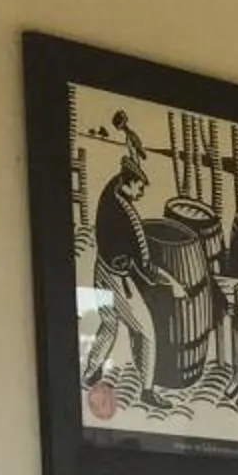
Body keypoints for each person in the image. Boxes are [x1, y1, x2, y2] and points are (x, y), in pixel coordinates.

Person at [85, 112, 177, 407]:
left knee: (109, 324)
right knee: (146, 332)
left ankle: (90, 372)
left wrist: (130, 138)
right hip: (117, 279)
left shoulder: (111, 190)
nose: (142, 191)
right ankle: (148, 392)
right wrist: (173, 283)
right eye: (140, 186)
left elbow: (127, 158)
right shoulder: (130, 220)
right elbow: (148, 269)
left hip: (101, 267)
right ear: (129, 183)